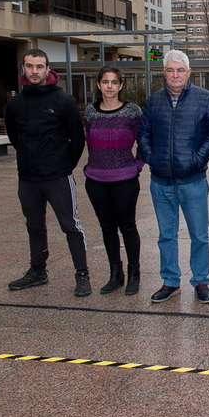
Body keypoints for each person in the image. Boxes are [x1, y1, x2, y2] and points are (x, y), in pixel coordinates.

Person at [4, 48, 90, 296]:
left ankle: (82, 274)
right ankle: (37, 272)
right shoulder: (15, 103)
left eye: (39, 66)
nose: (34, 71)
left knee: (70, 225)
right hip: (28, 178)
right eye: (29, 66)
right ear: (23, 69)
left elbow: (78, 138)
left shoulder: (63, 101)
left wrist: (64, 166)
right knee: (34, 226)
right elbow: (14, 136)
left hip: (57, 176)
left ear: (47, 69)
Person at [137, 50, 209, 304]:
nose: (175, 75)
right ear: (165, 73)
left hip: (192, 180)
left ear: (188, 73)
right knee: (166, 235)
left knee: (199, 234)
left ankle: (201, 281)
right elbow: (143, 134)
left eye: (180, 70)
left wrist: (197, 159)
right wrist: (152, 158)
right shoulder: (153, 101)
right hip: (161, 182)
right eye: (171, 70)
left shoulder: (205, 99)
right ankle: (170, 280)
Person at [83, 66, 144, 295]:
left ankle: (134, 273)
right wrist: (92, 167)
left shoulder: (132, 111)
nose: (109, 86)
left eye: (114, 82)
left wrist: (136, 165)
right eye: (105, 82)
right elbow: (88, 140)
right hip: (96, 180)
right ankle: (115, 274)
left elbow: (145, 142)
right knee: (107, 228)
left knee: (127, 226)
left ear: (120, 85)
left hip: (125, 180)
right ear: (98, 85)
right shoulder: (90, 112)